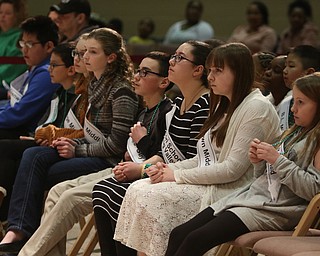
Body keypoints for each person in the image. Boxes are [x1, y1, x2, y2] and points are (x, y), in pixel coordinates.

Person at [18, 40, 213, 256]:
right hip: (143, 170)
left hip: (158, 176)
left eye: (91, 52)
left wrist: (140, 161)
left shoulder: (163, 103)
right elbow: (161, 154)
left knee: (83, 190)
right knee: (66, 186)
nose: (83, 58)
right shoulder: (175, 106)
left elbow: (190, 158)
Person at [113, 43, 280, 256]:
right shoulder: (227, 104)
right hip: (218, 182)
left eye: (218, 71)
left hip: (237, 190)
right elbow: (204, 158)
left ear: (239, 72)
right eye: (210, 70)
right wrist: (166, 169)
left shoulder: (256, 108)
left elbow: (233, 170)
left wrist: (175, 175)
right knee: (138, 188)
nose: (210, 77)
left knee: (150, 198)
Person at [0, 27, 139, 254]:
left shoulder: (122, 91)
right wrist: (68, 142)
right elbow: (85, 131)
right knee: (31, 155)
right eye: (84, 52)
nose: (84, 57)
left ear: (111, 57)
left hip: (109, 161)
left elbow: (116, 144)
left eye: (93, 52)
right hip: (89, 149)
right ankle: (19, 230)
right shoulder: (94, 84)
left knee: (30, 172)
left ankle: (26, 237)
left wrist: (78, 150)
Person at [165, 72, 320, 256]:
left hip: (277, 210)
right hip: (250, 198)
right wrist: (260, 162)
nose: (293, 109)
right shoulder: (294, 132)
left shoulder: (316, 141)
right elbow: (266, 179)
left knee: (195, 240)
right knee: (179, 233)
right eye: (293, 101)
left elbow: (314, 191)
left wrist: (277, 160)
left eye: (301, 103)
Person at [0, 42, 80, 221]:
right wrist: (42, 134)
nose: (49, 70)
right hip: (46, 142)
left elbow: (78, 131)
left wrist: (49, 136)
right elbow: (45, 124)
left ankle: (6, 214)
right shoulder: (58, 93)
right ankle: (7, 215)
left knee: (7, 148)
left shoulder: (79, 95)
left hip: (66, 148)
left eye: (54, 65)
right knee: (10, 148)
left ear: (71, 69)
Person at [0, 15, 60, 139]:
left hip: (30, 133)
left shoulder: (47, 72)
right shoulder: (37, 67)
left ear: (49, 46)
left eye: (30, 44)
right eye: (23, 44)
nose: (24, 50)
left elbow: (19, 114)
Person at [279, 45, 320, 132]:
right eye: (285, 65)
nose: (284, 71)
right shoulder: (286, 103)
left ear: (309, 72)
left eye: (291, 66)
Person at [0, 0, 28, 100]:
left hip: (7, 87)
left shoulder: (20, 37)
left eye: (7, 13)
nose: (3, 16)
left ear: (17, 16)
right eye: (0, 12)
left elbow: (14, 68)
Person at [263, 55, 291, 122]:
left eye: (277, 70)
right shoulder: (265, 100)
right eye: (268, 68)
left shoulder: (292, 106)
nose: (267, 73)